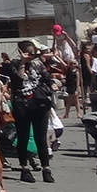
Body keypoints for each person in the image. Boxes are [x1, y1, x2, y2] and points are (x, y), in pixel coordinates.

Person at [7, 41, 58, 183]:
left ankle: (46, 169)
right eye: (28, 52)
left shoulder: (38, 64)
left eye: (33, 52)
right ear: (21, 52)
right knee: (23, 137)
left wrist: (52, 84)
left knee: (40, 137)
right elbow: (18, 81)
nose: (31, 55)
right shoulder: (14, 64)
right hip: (22, 104)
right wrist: (23, 62)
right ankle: (24, 168)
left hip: (39, 103)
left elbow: (46, 78)